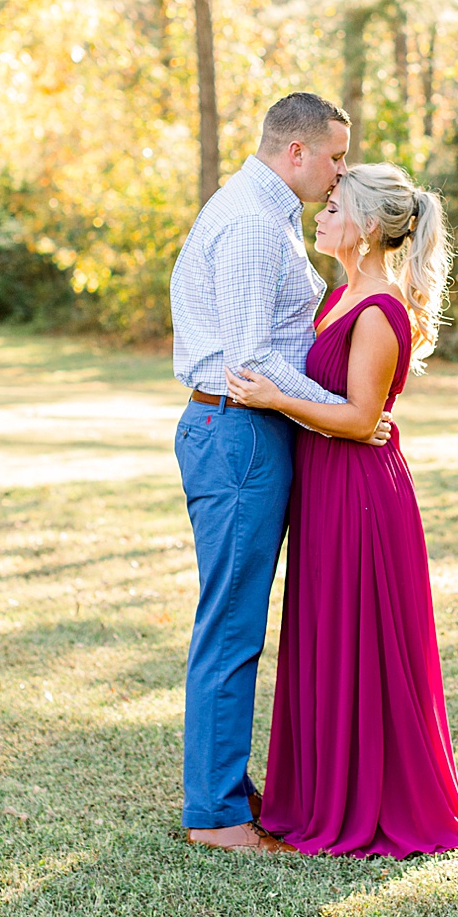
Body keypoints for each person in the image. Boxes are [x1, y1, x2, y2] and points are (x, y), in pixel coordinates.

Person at [226, 162, 458, 858]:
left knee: (362, 639)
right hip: (323, 487)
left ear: (369, 227)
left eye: (333, 208)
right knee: (326, 632)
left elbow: (357, 418)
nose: (319, 216)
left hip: (360, 493)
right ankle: (320, 789)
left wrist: (273, 398)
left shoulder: (380, 309)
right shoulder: (339, 295)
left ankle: (370, 799)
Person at [169, 92, 392, 854]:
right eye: (334, 157)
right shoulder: (248, 225)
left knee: (239, 622)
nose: (339, 175)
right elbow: (250, 360)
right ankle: (217, 816)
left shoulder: (267, 218)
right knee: (231, 625)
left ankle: (226, 788)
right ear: (295, 152)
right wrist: (348, 408)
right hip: (237, 435)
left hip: (255, 432)